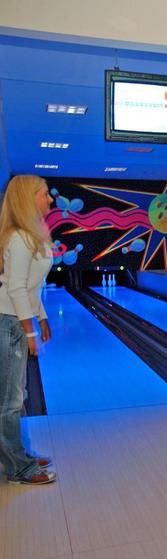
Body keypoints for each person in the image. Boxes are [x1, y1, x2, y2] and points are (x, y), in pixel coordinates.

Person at [0, 175, 56, 485]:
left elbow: (32, 287)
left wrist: (43, 317)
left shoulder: (31, 235)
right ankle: (18, 468)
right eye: (45, 194)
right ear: (27, 198)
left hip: (13, 320)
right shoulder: (20, 237)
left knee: (15, 397)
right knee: (8, 402)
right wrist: (30, 331)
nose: (50, 199)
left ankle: (17, 454)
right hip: (7, 322)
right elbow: (17, 289)